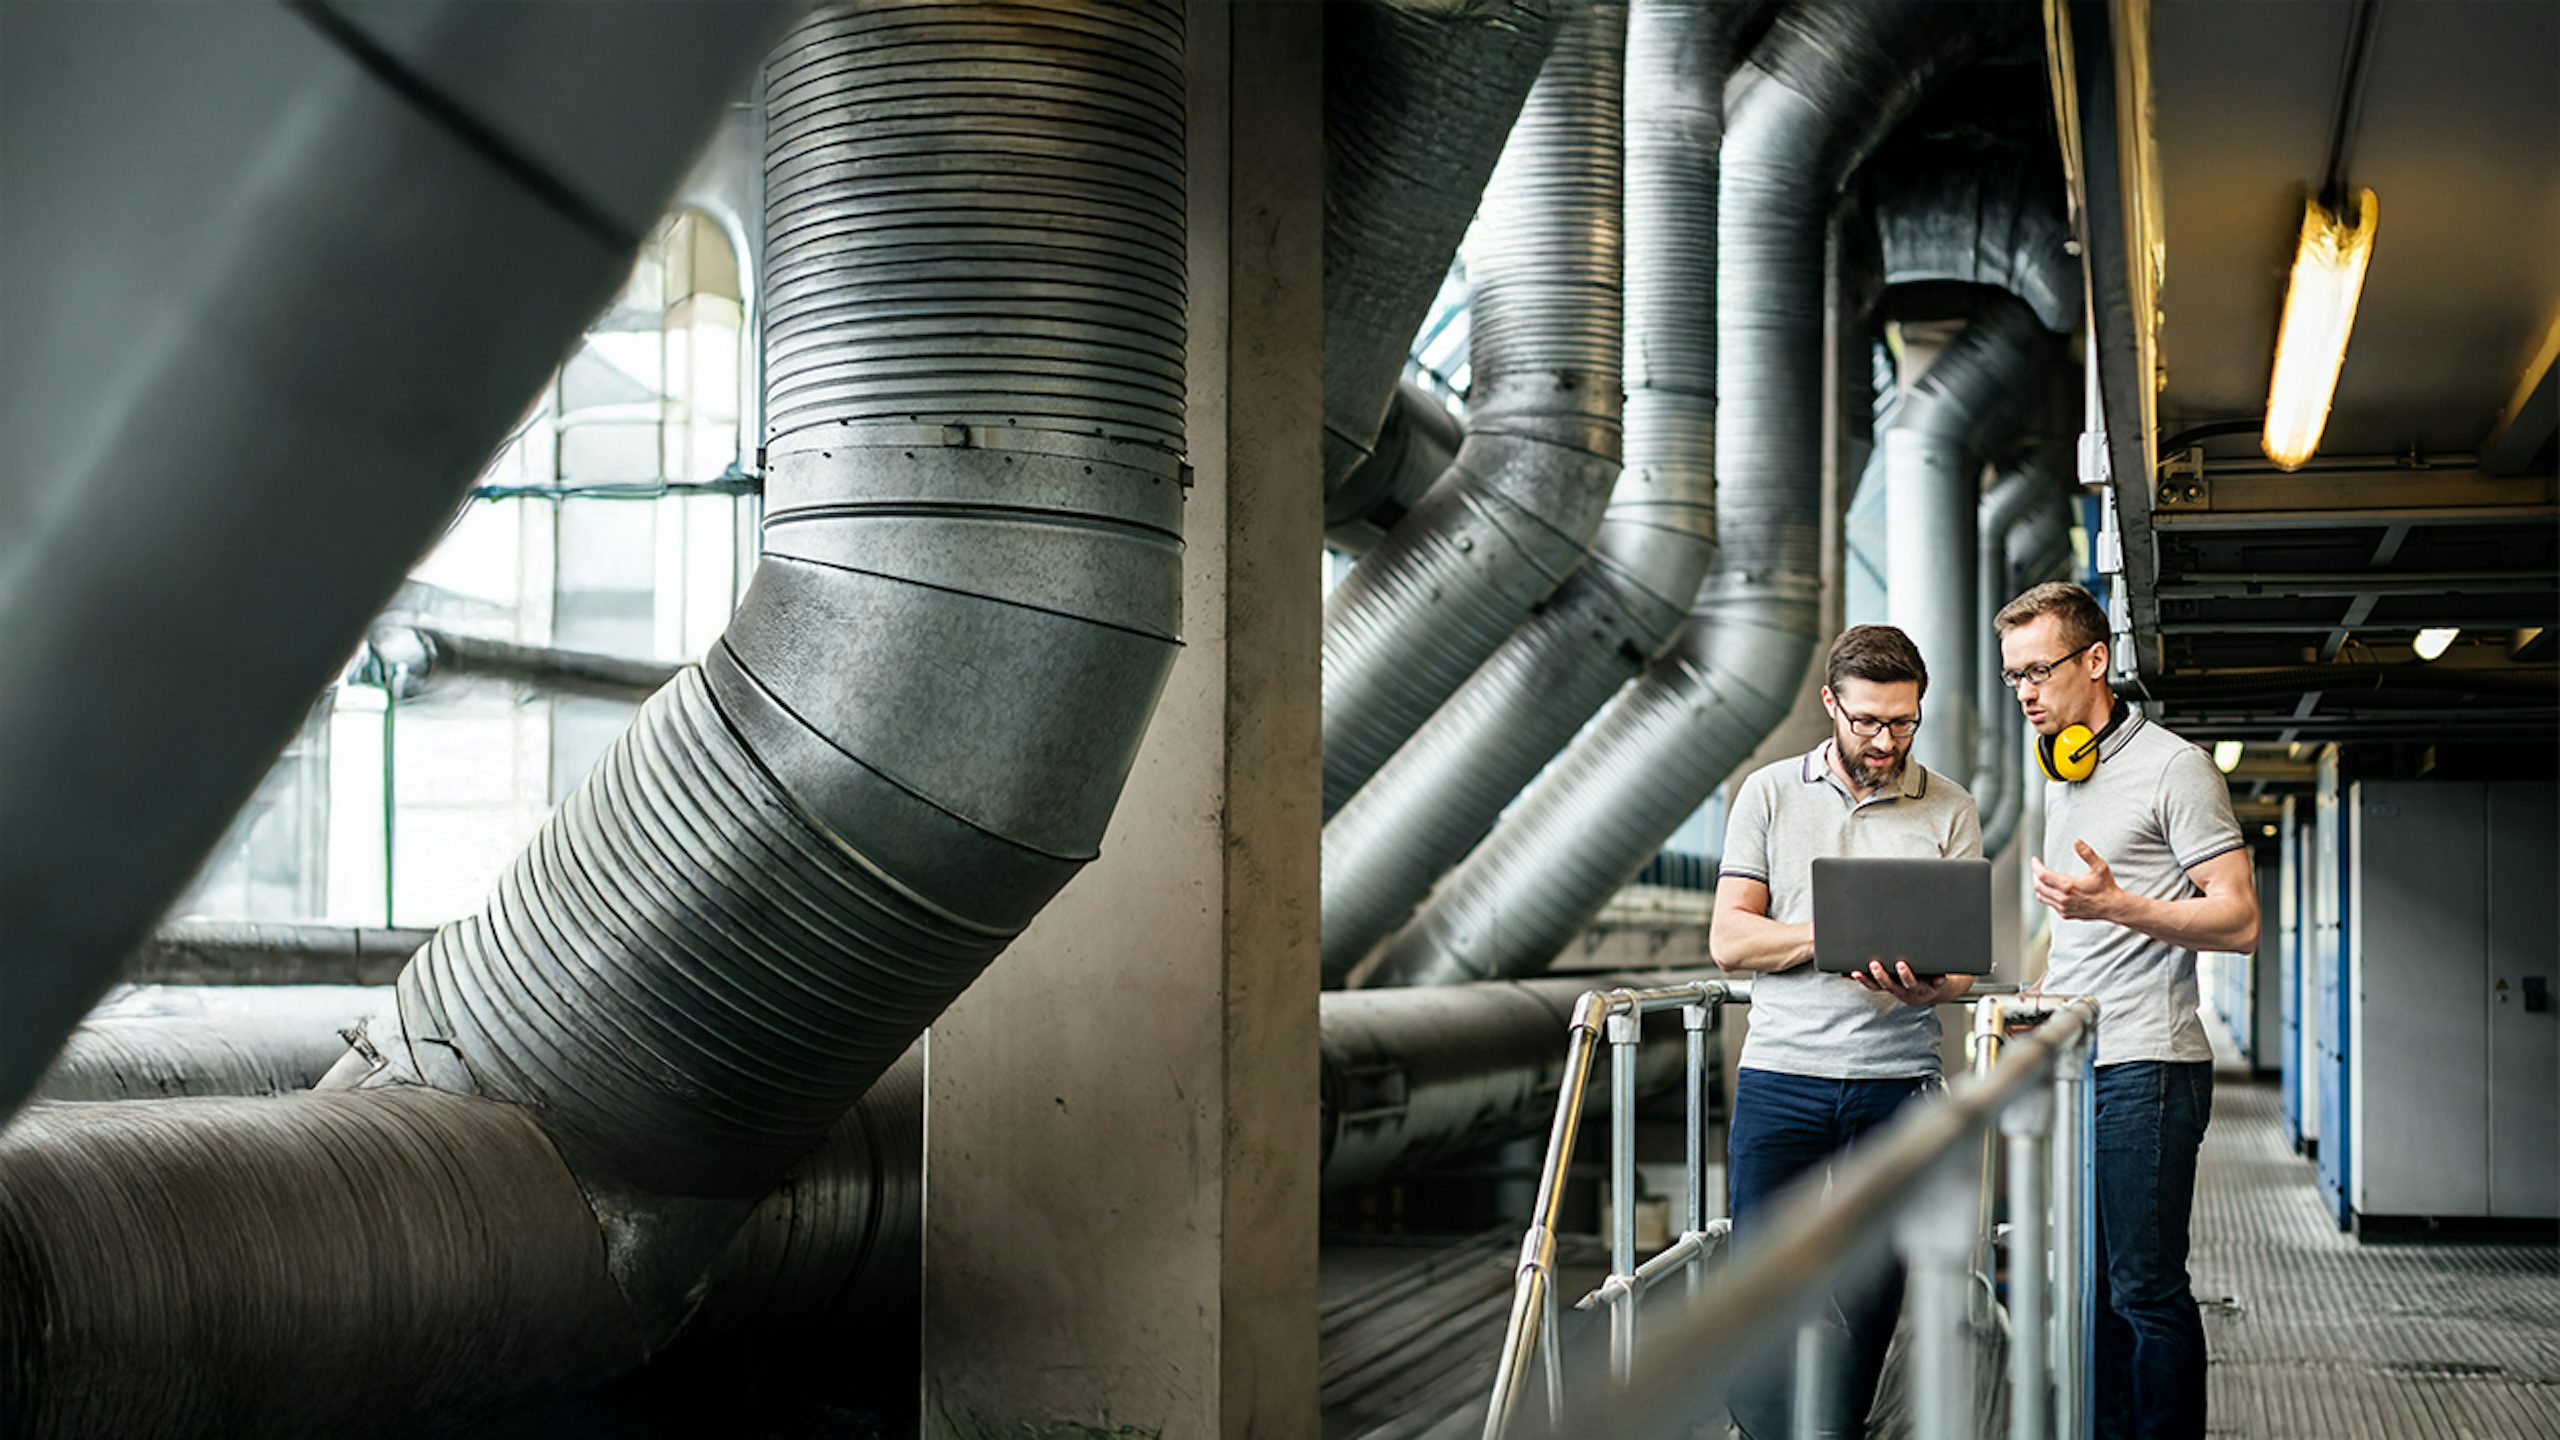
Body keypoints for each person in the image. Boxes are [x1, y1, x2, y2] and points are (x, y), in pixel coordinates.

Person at [1994, 581, 2258, 1440]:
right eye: (2012, 677)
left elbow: (2239, 919)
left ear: (2096, 660)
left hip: (2149, 1064)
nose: (2026, 691)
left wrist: (2119, 908)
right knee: (2092, 1288)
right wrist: (2045, 990)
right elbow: (2082, 918)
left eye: (2039, 670)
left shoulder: (2175, 768)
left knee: (2144, 1288)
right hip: (2081, 1061)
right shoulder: (2063, 772)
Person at [1710, 624, 1982, 1439]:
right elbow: (1731, 940)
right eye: (1867, 721)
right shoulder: (1767, 794)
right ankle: (1761, 1431)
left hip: (1897, 1083)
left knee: (1873, 1287)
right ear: (1832, 703)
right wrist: (1832, 938)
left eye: (1903, 722)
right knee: (1761, 1279)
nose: (1885, 741)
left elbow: (1962, 972)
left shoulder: (1951, 806)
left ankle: (1841, 1429)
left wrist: (1925, 982)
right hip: (1782, 1079)